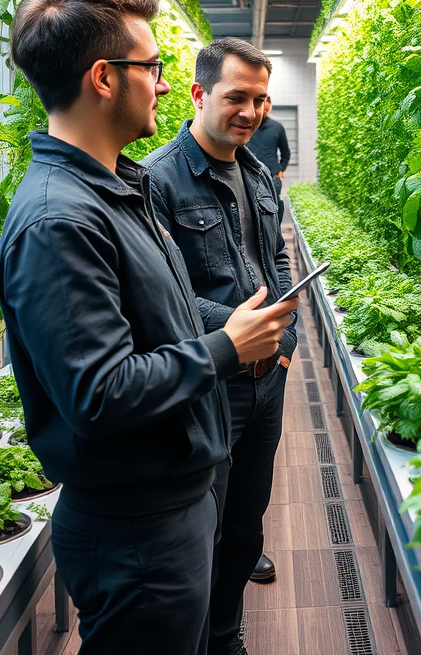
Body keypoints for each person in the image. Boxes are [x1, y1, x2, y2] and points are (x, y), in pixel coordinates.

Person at [0, 0, 297, 655]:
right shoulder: (61, 221)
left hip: (169, 505)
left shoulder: (114, 190)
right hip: (136, 528)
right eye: (153, 68)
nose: (163, 86)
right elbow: (100, 393)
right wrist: (225, 347)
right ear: (104, 78)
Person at [142, 39, 294, 655]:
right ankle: (202, 640)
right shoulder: (157, 180)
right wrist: (237, 329)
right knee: (200, 528)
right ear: (200, 94)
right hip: (208, 385)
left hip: (267, 381)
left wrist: (282, 343)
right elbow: (163, 297)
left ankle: (226, 634)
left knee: (245, 524)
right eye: (237, 97)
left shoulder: (256, 170)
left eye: (260, 99)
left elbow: (274, 257)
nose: (251, 112)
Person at [246, 96, 291, 221]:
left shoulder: (277, 127)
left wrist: (281, 169)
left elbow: (285, 152)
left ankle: (275, 237)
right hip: (248, 177)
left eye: (265, 101)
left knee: (274, 210)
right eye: (260, 101)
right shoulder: (246, 126)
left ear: (270, 104)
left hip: (272, 177)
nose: (263, 104)